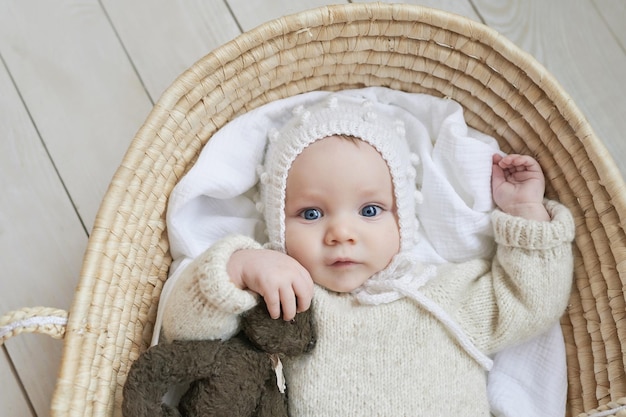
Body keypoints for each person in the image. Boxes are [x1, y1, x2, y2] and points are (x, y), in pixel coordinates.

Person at [161, 94, 575, 416]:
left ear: (403, 221)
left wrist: (524, 212)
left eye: (370, 211)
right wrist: (239, 267)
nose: (342, 233)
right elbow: (185, 330)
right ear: (278, 228)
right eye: (311, 213)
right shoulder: (284, 298)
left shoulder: (445, 295)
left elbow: (532, 303)